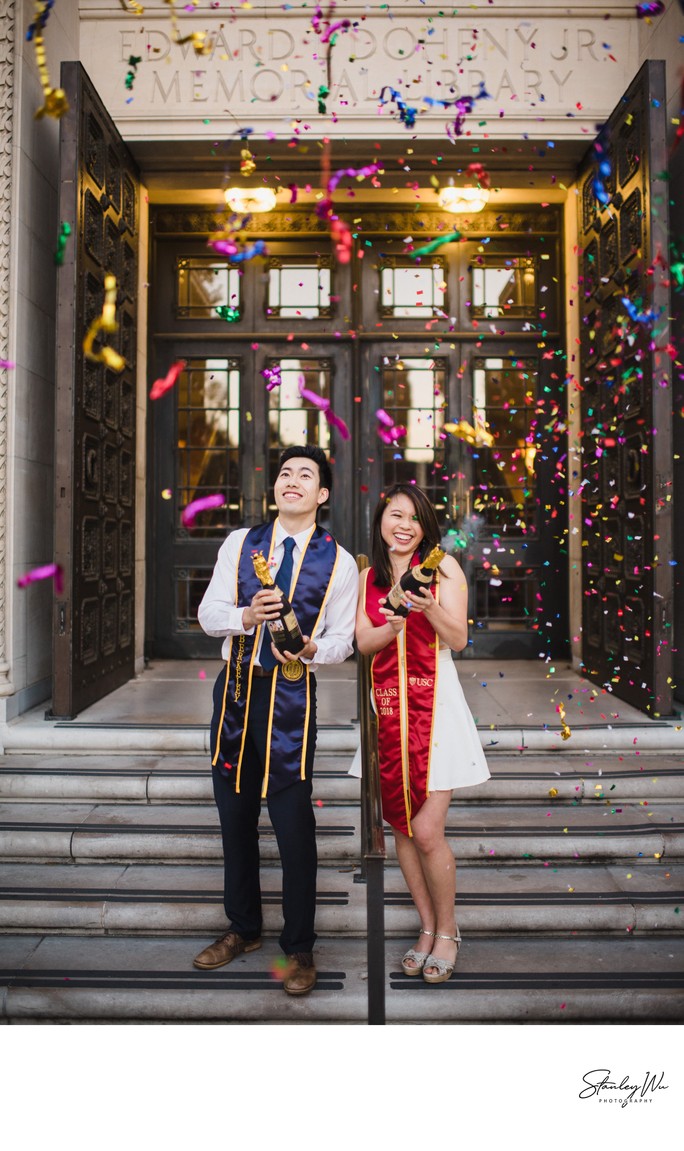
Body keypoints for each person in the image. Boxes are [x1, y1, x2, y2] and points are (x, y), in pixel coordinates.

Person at [194, 445, 357, 996]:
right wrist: (243, 616)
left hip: (291, 701)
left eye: (305, 475)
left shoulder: (340, 561)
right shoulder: (241, 544)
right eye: (285, 473)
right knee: (234, 815)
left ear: (322, 494)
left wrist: (313, 649)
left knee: (293, 827)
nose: (292, 481)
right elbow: (207, 612)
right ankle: (242, 929)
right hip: (237, 694)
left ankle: (299, 946)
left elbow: (342, 642)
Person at [353, 482, 490, 983]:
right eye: (394, 515)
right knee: (401, 829)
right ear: (381, 521)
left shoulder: (445, 567)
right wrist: (392, 619)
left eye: (413, 517)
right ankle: (427, 929)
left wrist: (426, 604)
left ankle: (450, 931)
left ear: (424, 526)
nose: (403, 525)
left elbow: (458, 637)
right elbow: (363, 644)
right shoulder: (366, 576)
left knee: (427, 829)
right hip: (389, 714)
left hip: (437, 715)